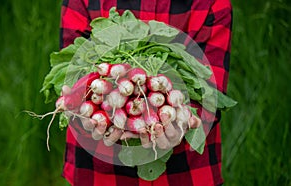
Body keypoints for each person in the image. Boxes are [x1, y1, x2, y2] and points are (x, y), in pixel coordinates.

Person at [60, 0, 232, 185]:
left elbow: (209, 96)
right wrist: (79, 110)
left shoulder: (211, 4)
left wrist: (185, 119)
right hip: (99, 171)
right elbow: (74, 72)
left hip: (185, 172)